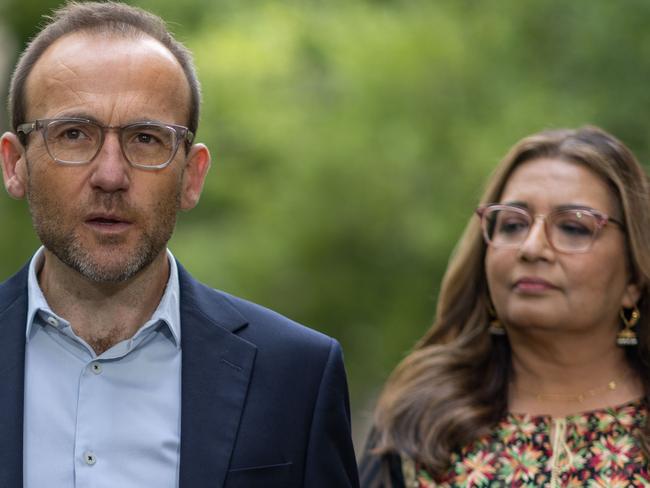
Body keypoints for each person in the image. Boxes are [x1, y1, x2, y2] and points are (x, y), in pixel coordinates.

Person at [0, 2, 358, 487]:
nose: (110, 175)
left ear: (192, 176)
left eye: (146, 139)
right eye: (74, 134)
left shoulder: (297, 376)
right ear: (15, 164)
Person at [359, 126, 650, 487]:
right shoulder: (423, 418)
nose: (532, 248)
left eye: (573, 228)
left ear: (634, 279)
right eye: (513, 224)